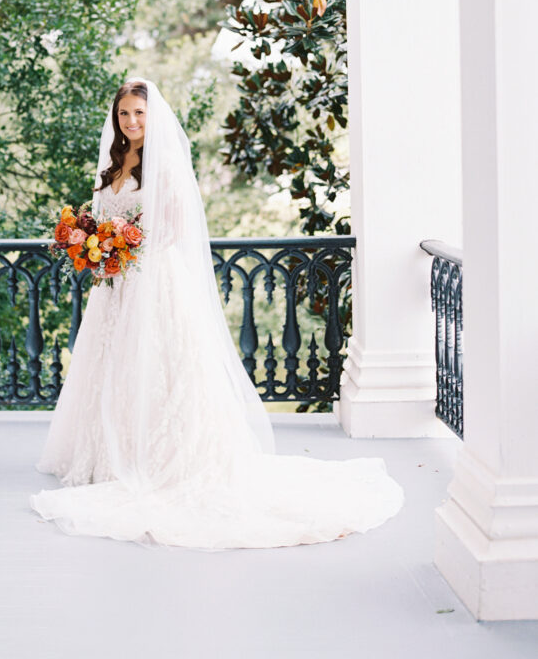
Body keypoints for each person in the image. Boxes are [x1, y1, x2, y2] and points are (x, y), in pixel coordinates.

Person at [30, 78, 403, 549]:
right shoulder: (111, 165)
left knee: (160, 366)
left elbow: (174, 229)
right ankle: (110, 453)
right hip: (115, 287)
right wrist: (94, 247)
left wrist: (124, 249)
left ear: (153, 116)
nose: (131, 122)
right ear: (115, 119)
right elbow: (103, 218)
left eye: (139, 114)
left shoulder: (164, 164)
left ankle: (162, 458)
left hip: (153, 280)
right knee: (113, 365)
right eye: (124, 114)